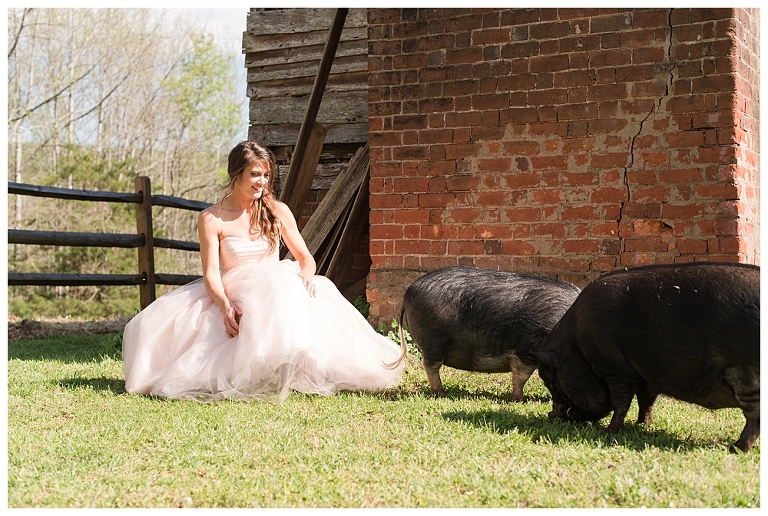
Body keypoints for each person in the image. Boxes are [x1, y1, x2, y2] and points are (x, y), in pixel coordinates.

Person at [122, 141, 404, 401]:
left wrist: (305, 275)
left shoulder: (277, 211)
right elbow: (211, 274)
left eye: (266, 175)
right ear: (236, 174)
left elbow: (305, 258)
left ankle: (289, 363)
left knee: (284, 284)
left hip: (278, 285)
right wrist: (224, 306)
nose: (263, 182)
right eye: (256, 174)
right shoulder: (211, 218)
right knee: (148, 327)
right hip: (235, 290)